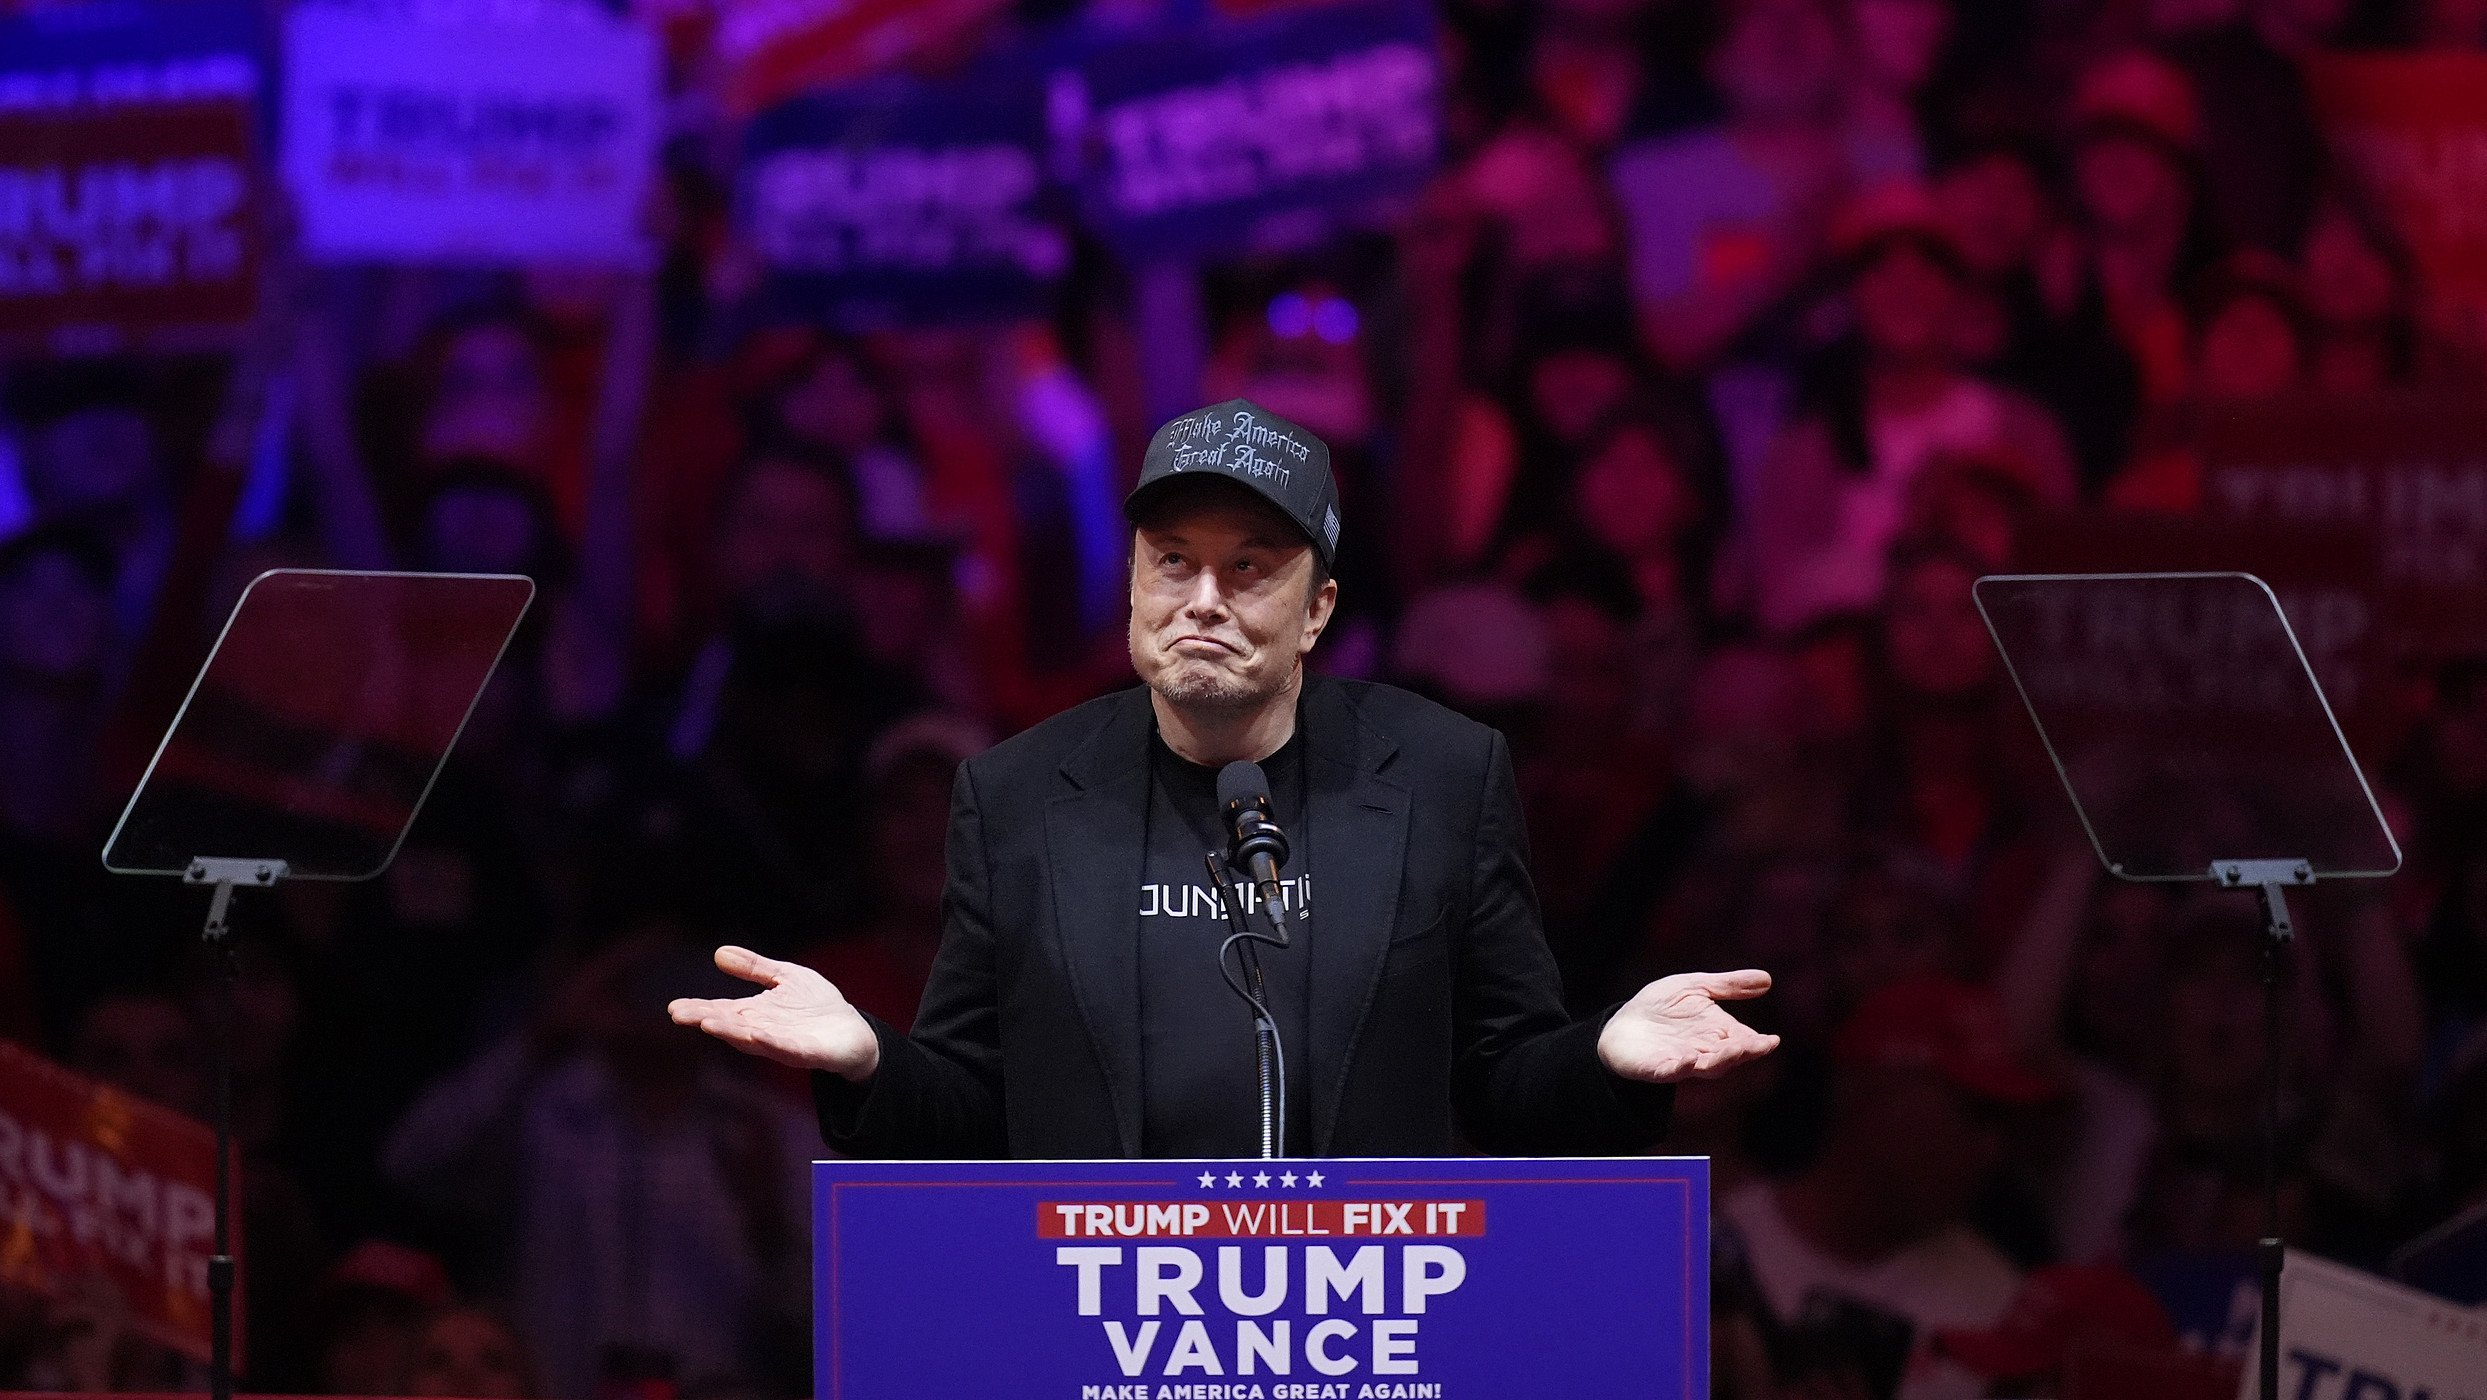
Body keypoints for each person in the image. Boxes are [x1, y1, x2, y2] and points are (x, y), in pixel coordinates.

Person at [671, 397, 1779, 1159]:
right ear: (1134, 590)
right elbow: (976, 1110)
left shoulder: (1443, 772)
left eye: (1250, 565)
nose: (1204, 597)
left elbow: (1503, 1081)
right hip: (1100, 1336)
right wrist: (869, 1060)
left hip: (1371, 1334)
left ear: (1319, 609)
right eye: (1173, 560)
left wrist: (1612, 1056)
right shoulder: (1015, 793)